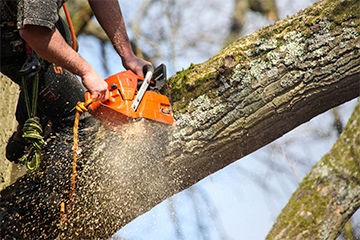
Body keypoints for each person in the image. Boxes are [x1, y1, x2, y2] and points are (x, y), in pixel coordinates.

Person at [0, 0, 151, 238]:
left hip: (22, 19)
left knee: (66, 42)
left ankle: (24, 135)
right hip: (10, 30)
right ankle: (30, 217)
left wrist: (127, 55)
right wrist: (87, 72)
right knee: (79, 119)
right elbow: (33, 31)